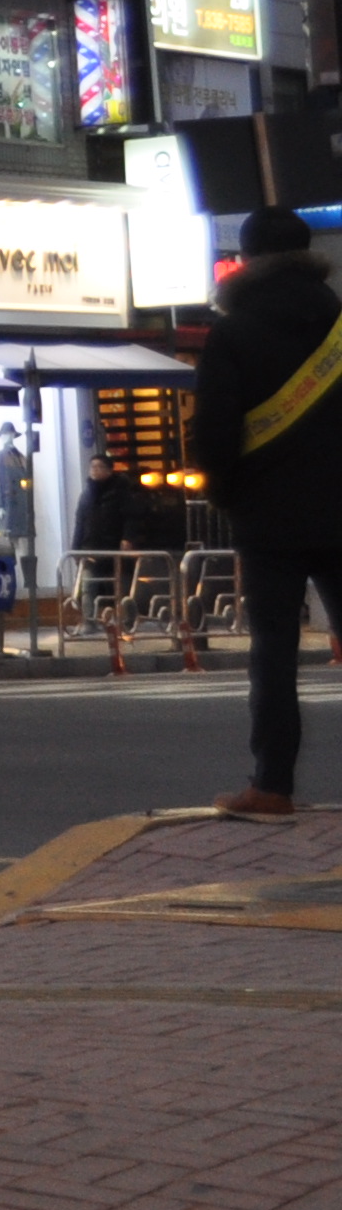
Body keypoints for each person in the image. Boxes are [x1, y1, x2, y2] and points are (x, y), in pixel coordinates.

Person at [198, 205, 342, 820]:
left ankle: (272, 785)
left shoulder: (232, 332)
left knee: (275, 651)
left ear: (248, 259)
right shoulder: (338, 322)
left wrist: (229, 495)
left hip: (268, 520)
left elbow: (214, 434)